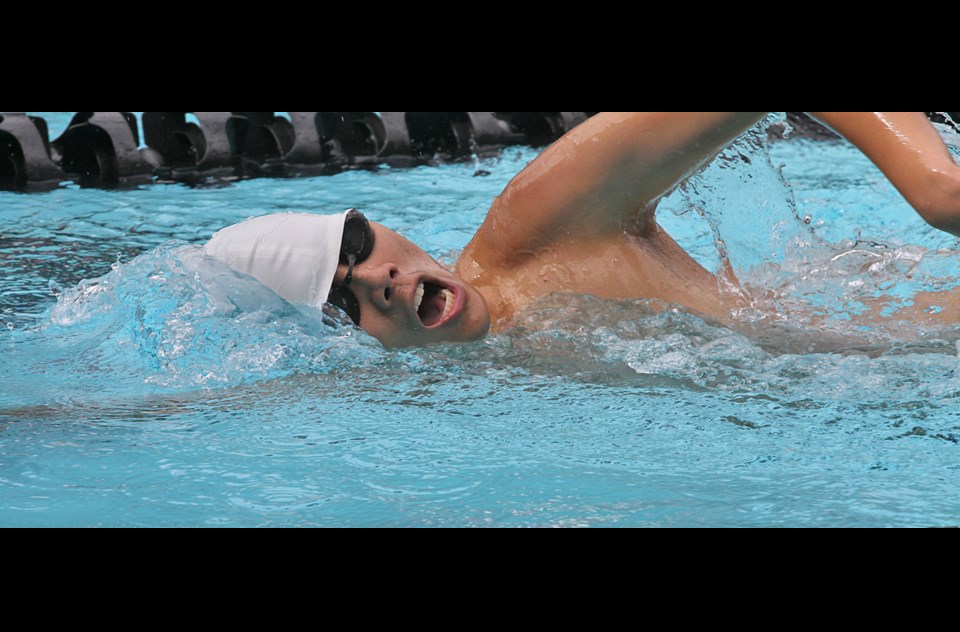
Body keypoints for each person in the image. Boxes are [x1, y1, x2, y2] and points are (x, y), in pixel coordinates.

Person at [206, 112, 960, 349]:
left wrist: (935, 190)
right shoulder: (446, 396)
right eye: (345, 302)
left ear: (388, 229)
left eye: (358, 249)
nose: (380, 280)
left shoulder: (540, 228)